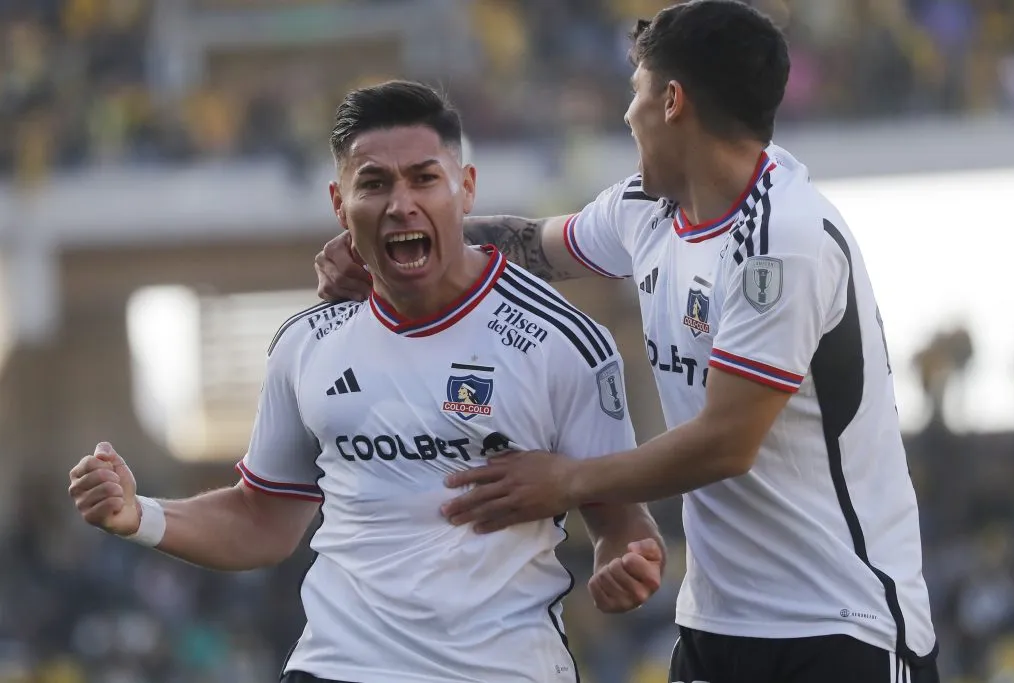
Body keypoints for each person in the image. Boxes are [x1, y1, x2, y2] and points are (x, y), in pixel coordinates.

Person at [313, 3, 939, 683]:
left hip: (841, 625)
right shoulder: (647, 209)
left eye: (635, 91)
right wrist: (385, 246)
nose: (626, 113)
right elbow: (530, 245)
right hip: (717, 624)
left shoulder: (782, 240)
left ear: (672, 101)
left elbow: (727, 442)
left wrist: (567, 479)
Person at [67, 81, 666, 683]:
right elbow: (262, 520)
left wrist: (628, 565)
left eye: (424, 178)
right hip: (336, 667)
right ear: (339, 201)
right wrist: (138, 514)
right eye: (374, 183)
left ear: (467, 190)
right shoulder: (306, 344)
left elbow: (622, 522)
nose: (400, 203)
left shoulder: (561, 342)